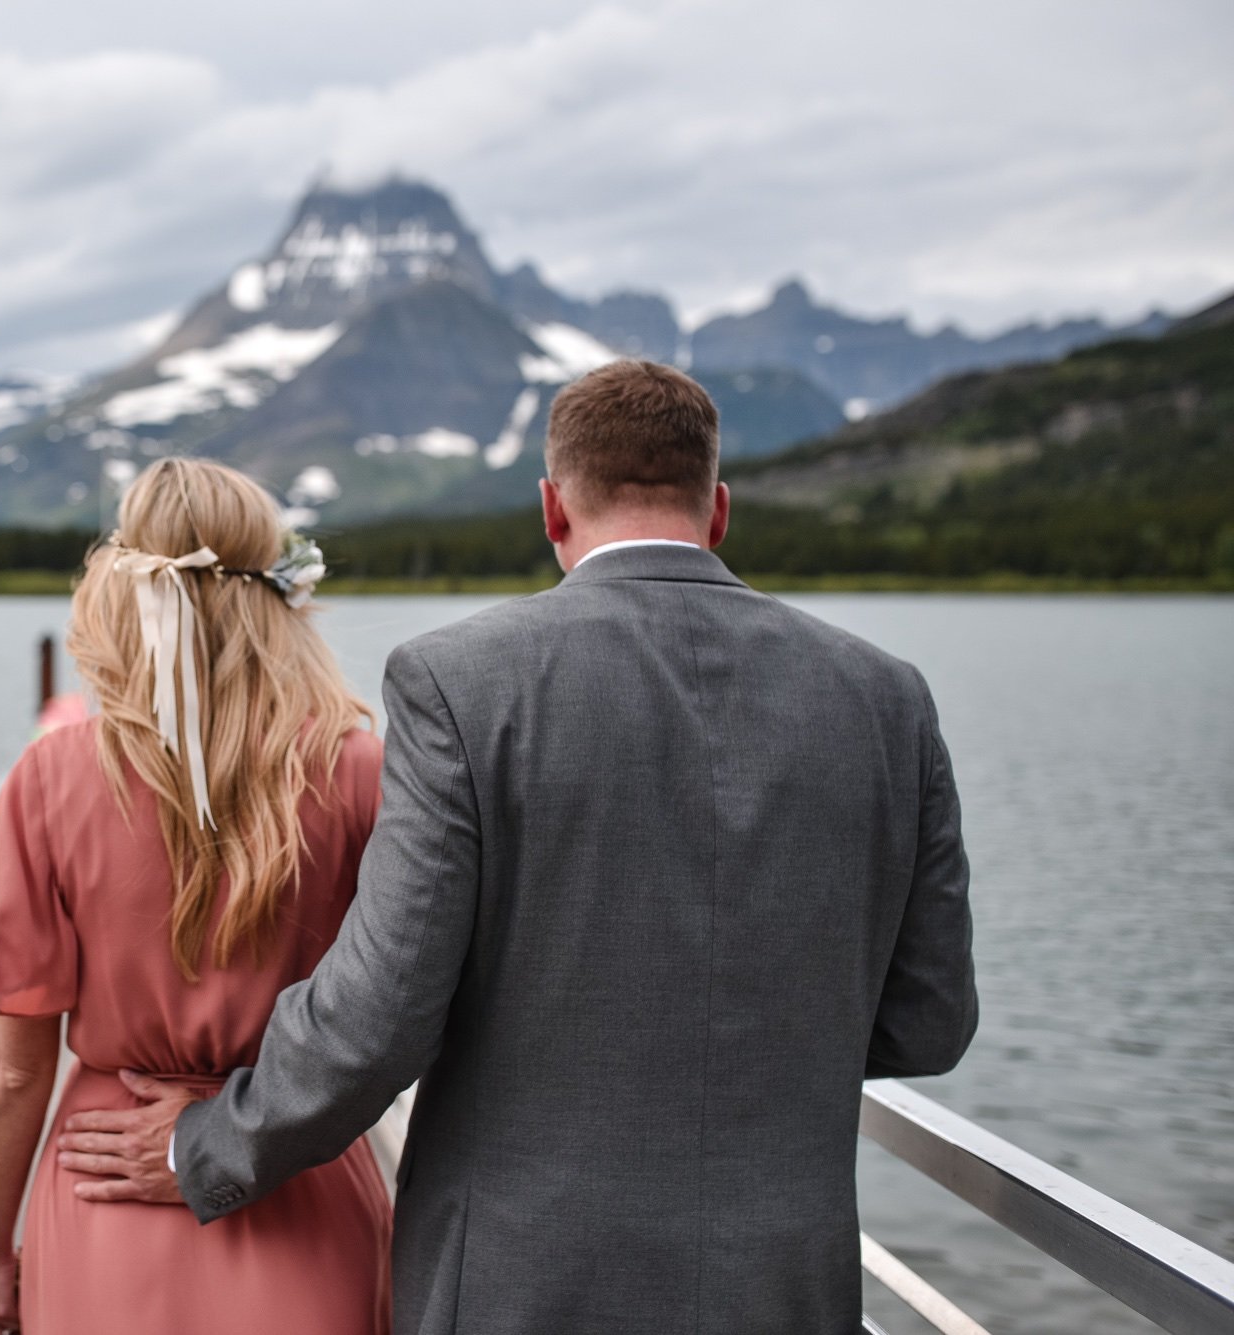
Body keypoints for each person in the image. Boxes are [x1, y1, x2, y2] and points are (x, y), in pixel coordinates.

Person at [60, 360, 980, 1334]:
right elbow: (927, 1021)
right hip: (785, 1286)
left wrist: (205, 1146)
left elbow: (378, 1017)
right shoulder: (886, 699)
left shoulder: (460, 684)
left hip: (515, 1286)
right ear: (716, 511)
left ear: (551, 508)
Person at [0, 457, 393, 1335]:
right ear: (278, 601)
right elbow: (404, 1014)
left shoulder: (49, 777)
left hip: (99, 1182)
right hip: (292, 1169)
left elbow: (13, 1068)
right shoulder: (359, 773)